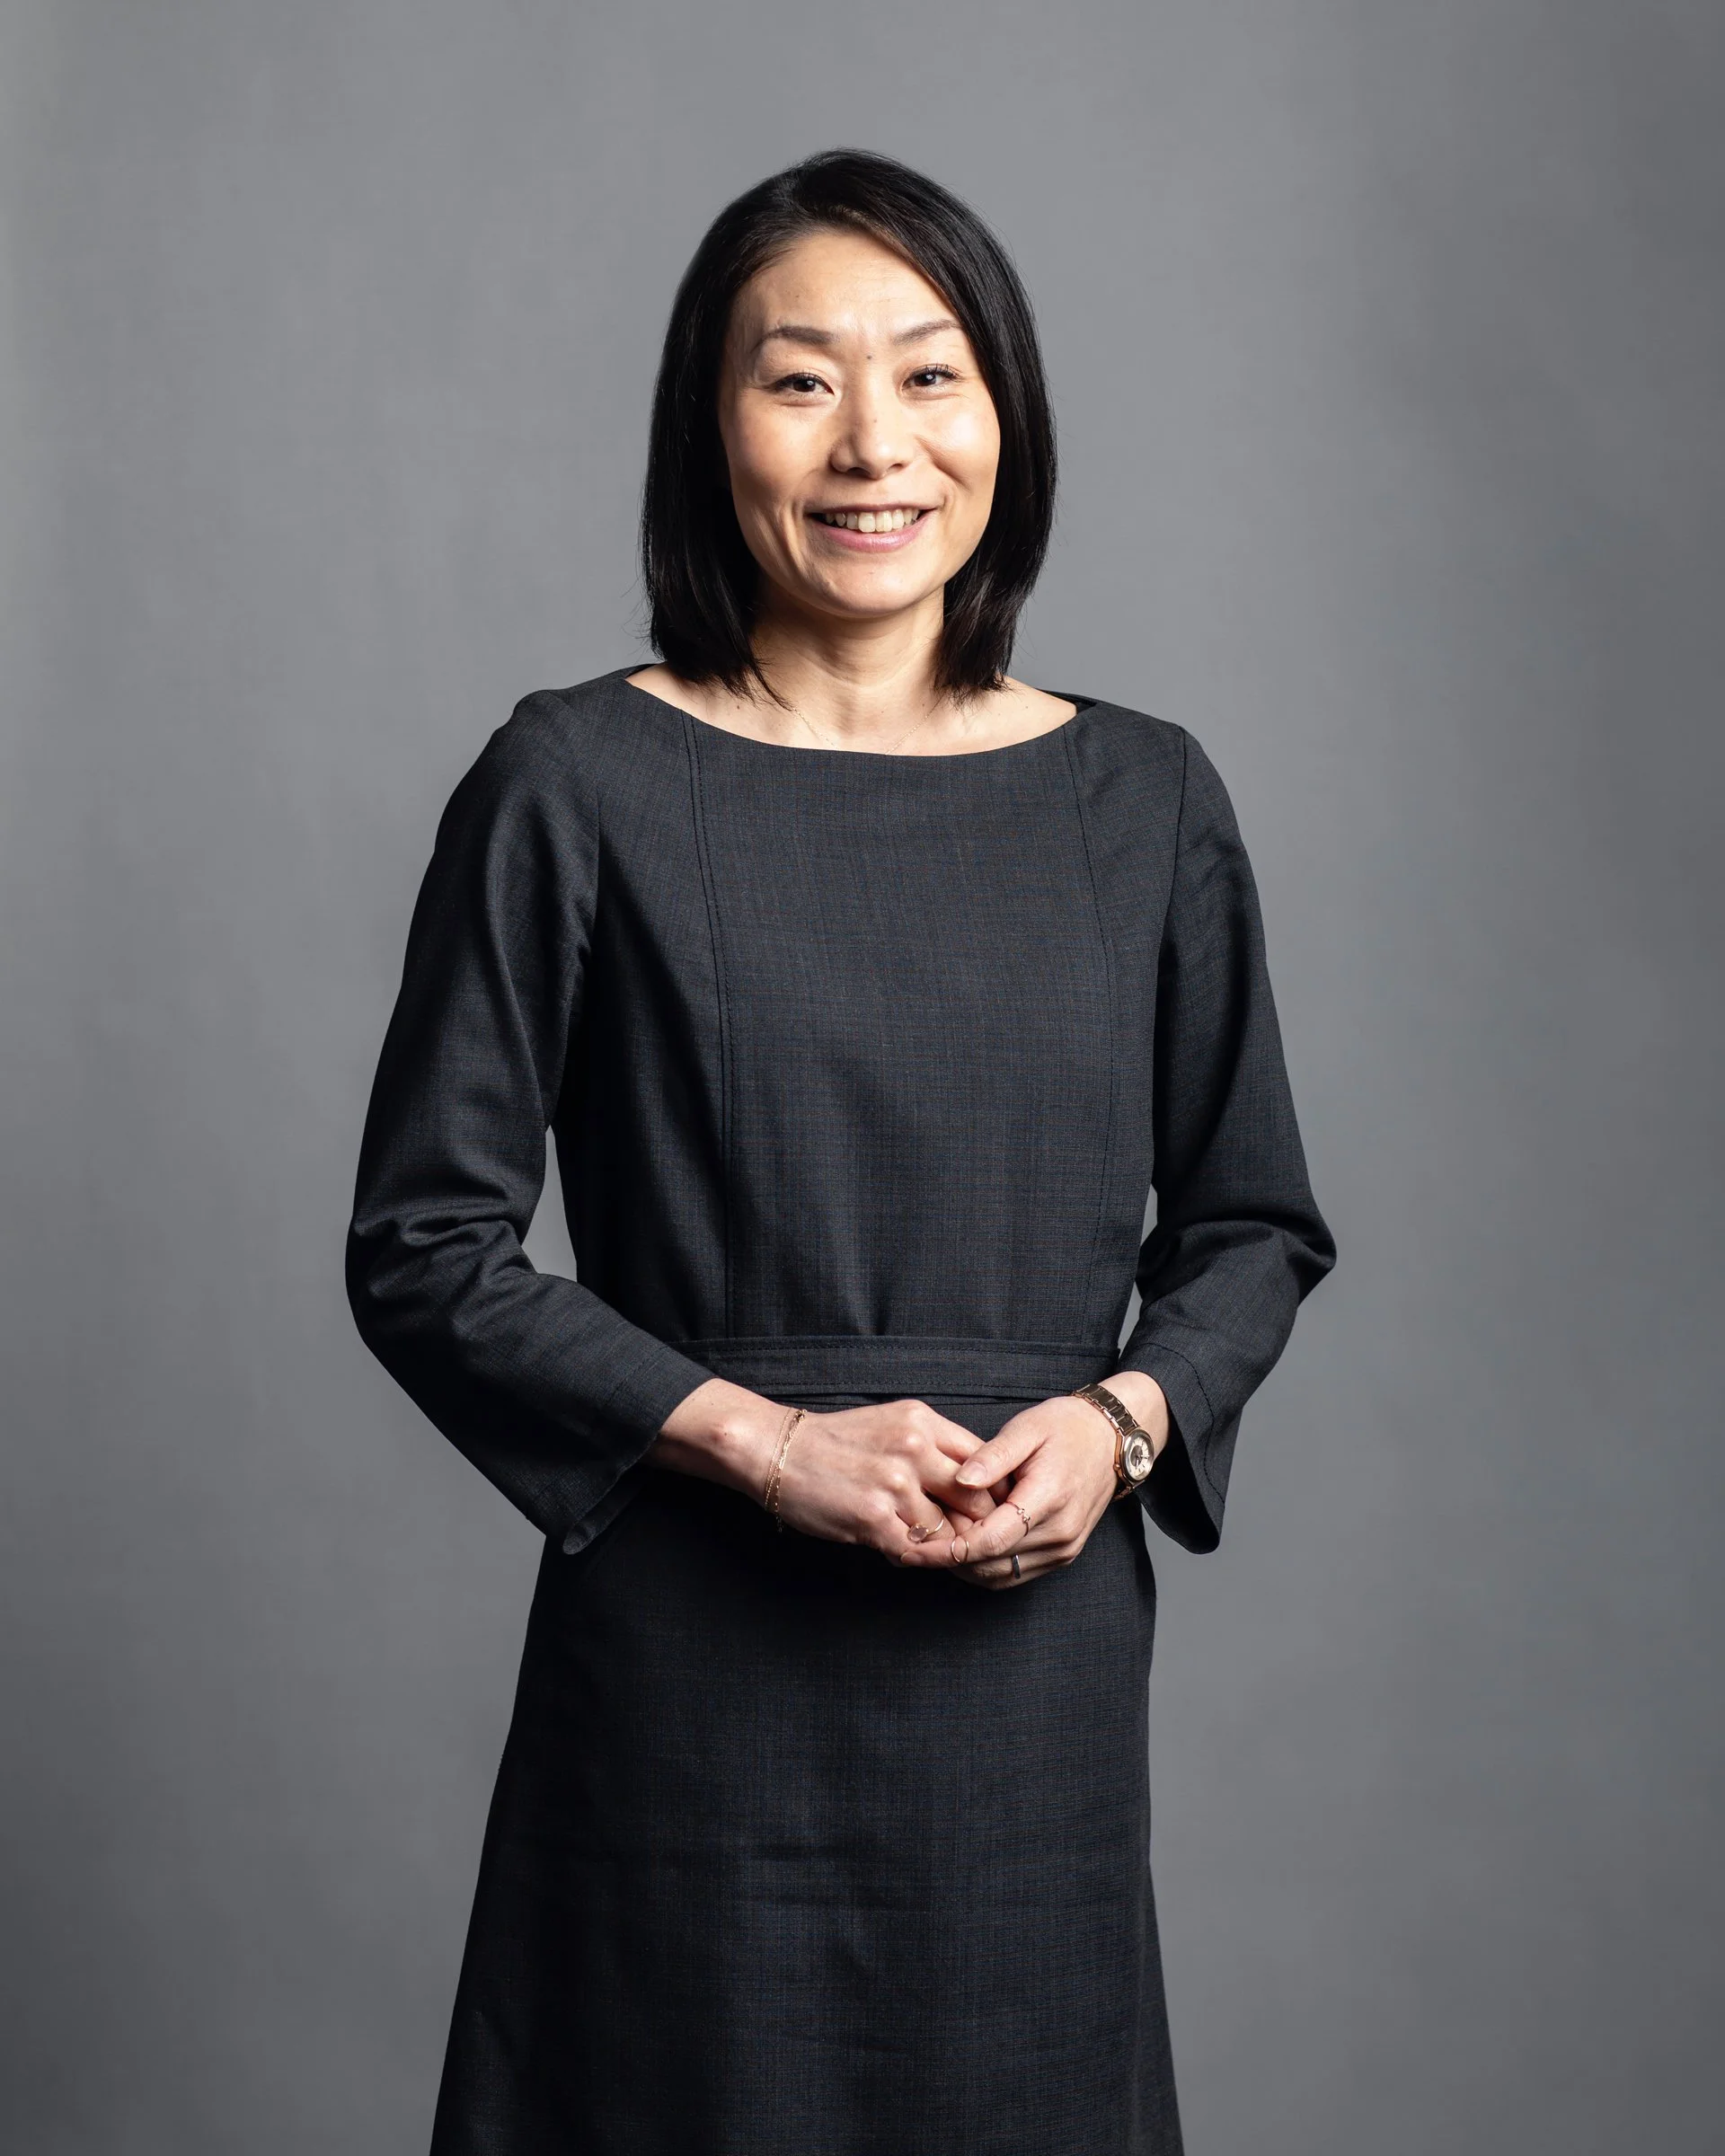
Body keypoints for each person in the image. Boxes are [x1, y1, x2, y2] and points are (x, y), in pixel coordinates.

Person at [347, 146, 1337, 2156]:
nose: (873, 442)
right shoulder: (576, 779)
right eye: (799, 378)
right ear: (707, 426)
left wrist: (1125, 1425)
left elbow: (1249, 1225)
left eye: (932, 374)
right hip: (693, 1688)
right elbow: (426, 1245)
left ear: (1008, 417)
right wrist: (760, 1441)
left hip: (1028, 1688)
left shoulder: (1143, 798)